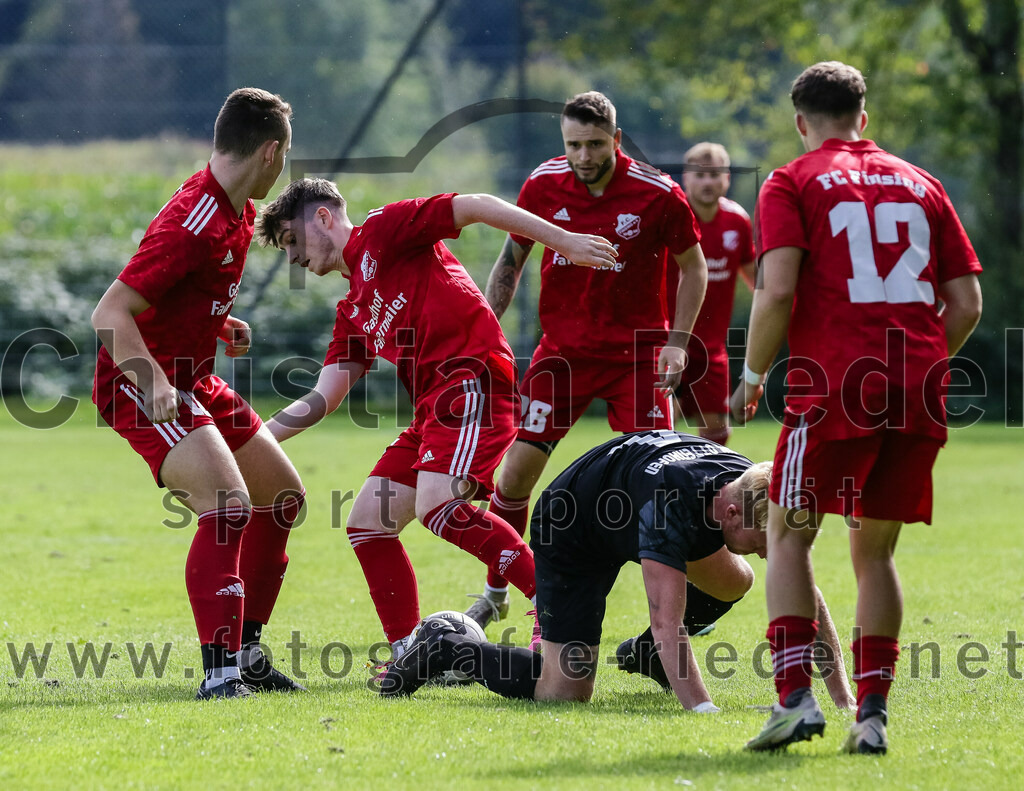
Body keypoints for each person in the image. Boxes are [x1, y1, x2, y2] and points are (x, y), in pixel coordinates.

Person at [254, 177, 618, 667]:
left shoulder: (384, 229)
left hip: (474, 382)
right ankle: (409, 653)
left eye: (291, 240)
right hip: (434, 411)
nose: (292, 256)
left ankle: (556, 605)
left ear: (322, 217)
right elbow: (323, 397)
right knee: (368, 522)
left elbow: (478, 204)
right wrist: (254, 439)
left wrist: (565, 242)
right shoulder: (352, 309)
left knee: (438, 507)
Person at [730, 62, 983, 754]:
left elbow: (776, 290)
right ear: (863, 118)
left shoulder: (791, 181)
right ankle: (870, 718)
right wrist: (919, 364)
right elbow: (966, 303)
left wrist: (751, 375)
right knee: (875, 554)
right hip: (916, 386)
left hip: (834, 384)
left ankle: (793, 700)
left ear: (801, 122)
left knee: (788, 532)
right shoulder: (922, 182)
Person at [379, 430, 854, 710]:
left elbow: (803, 589)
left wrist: (843, 698)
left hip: (633, 500)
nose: (768, 554)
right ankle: (447, 648)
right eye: (762, 543)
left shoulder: (747, 485)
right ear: (731, 513)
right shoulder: (671, 509)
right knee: (564, 692)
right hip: (572, 526)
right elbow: (668, 622)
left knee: (735, 579)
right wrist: (703, 711)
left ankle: (646, 658)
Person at [91, 88, 307, 699]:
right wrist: (155, 382)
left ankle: (249, 655)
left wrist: (215, 322)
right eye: (285, 156)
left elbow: (176, 295)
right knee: (228, 506)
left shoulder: (236, 210)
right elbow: (109, 314)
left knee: (281, 499)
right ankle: (221, 675)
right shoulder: (195, 220)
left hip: (193, 378)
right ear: (270, 152)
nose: (283, 167)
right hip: (141, 383)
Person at [466, 91, 708, 629]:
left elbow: (695, 268)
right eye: (573, 144)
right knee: (514, 477)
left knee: (662, 484)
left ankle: (682, 613)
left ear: (616, 140)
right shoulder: (542, 184)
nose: (583, 155)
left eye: (595, 144)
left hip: (638, 359)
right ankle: (495, 591)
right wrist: (483, 330)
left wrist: (678, 342)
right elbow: (511, 261)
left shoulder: (658, 193)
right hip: (563, 356)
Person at [670, 142, 756, 443]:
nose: (708, 182)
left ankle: (702, 476)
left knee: (718, 433)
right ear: (686, 178)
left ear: (727, 179)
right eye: (700, 175)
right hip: (667, 340)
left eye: (715, 174)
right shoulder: (671, 216)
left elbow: (758, 281)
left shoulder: (737, 220)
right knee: (658, 428)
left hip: (711, 347)